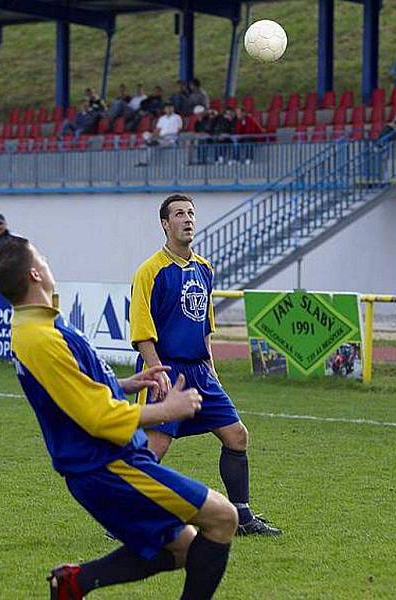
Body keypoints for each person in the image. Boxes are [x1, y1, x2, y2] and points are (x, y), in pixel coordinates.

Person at [0, 236, 238, 600]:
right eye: (43, 257)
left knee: (182, 547)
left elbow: (72, 390)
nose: (48, 261)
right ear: (34, 273)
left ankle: (76, 582)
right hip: (106, 464)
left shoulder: (37, 326)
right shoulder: (39, 337)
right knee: (223, 518)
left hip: (104, 462)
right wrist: (167, 410)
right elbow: (97, 417)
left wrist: (123, 383)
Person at [130, 194, 282, 537]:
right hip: (167, 370)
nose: (187, 219)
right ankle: (127, 515)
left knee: (237, 436)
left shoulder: (204, 268)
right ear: (165, 224)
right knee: (155, 448)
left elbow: (206, 326)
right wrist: (156, 373)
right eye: (179, 214)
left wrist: (212, 370)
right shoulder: (150, 271)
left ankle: (241, 517)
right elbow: (142, 331)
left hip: (201, 370)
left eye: (191, 213)